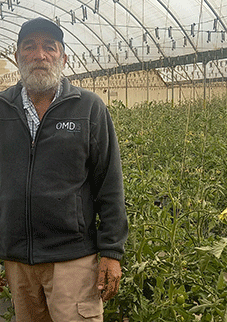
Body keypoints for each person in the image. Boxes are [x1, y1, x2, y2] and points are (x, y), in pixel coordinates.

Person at [0, 17, 128, 321]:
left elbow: (109, 181)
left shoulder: (88, 107)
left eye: (50, 47)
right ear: (17, 57)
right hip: (18, 260)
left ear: (64, 57)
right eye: (29, 47)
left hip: (73, 258)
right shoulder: (2, 109)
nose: (39, 55)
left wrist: (112, 251)